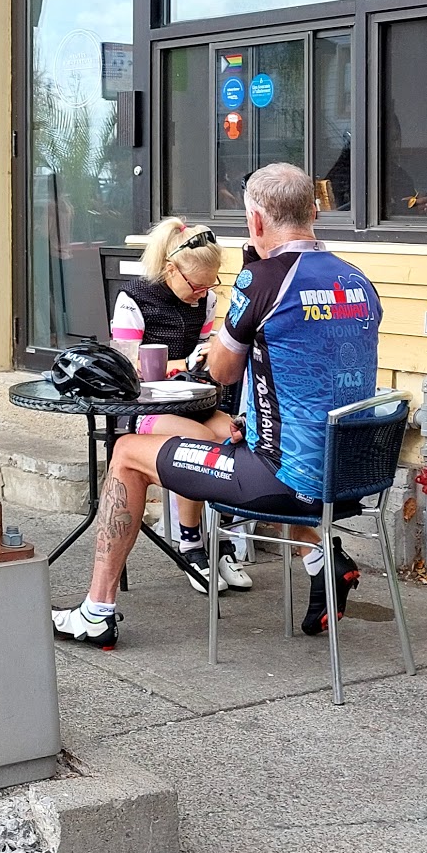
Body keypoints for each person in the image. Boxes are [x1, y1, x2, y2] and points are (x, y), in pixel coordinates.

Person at [51, 164, 382, 649]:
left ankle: (97, 612)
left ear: (255, 220)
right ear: (315, 212)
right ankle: (322, 559)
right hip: (352, 476)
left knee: (126, 452)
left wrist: (254, 269)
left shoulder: (263, 279)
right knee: (237, 434)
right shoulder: (356, 280)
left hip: (283, 482)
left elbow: (223, 372)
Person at [110, 216, 250, 592]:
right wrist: (182, 364)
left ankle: (221, 541)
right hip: (144, 408)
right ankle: (191, 545)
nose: (204, 293)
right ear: (171, 270)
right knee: (199, 447)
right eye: (197, 285)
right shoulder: (134, 299)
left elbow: (205, 353)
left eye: (211, 284)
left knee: (242, 440)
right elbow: (125, 366)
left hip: (193, 401)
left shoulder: (204, 300)